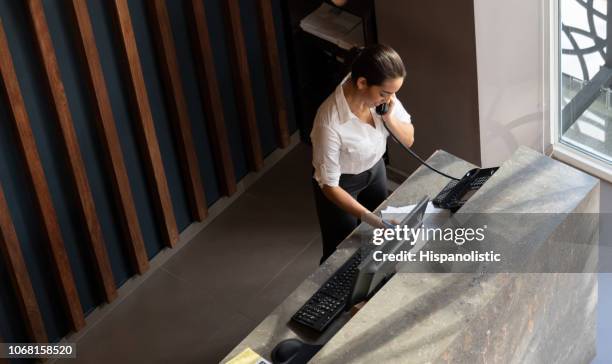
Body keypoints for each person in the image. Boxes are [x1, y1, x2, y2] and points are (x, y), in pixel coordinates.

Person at [311, 44, 415, 263]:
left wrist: (388, 117)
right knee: (339, 252)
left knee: (380, 237)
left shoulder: (384, 97)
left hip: (375, 171)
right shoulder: (328, 122)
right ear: (361, 83)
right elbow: (329, 185)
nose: (389, 99)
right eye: (385, 94)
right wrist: (369, 218)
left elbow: (408, 139)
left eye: (393, 94)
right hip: (341, 185)